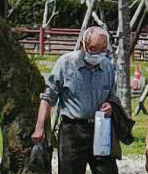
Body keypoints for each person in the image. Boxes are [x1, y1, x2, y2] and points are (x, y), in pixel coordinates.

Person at [32, 26, 121, 174]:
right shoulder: (66, 64)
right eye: (94, 48)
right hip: (72, 130)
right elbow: (48, 97)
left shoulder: (108, 67)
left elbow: (112, 95)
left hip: (100, 129)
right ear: (83, 45)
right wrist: (39, 127)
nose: (98, 53)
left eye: (102, 49)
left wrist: (110, 104)